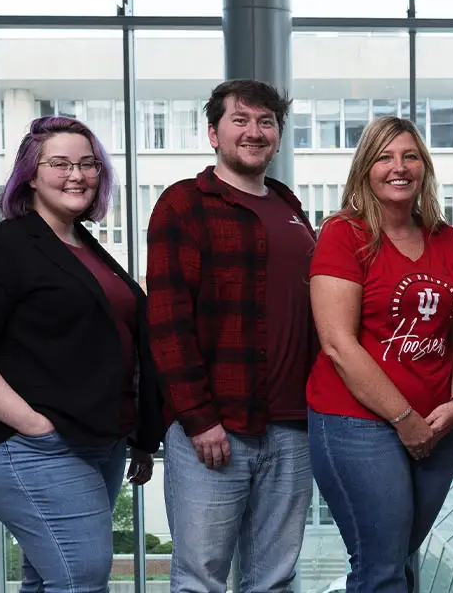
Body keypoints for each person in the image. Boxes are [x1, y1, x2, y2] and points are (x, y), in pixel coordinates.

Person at [0, 116, 161, 592]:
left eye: (88, 164)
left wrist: (141, 433)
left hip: (99, 440)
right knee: (81, 576)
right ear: (31, 176)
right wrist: (35, 426)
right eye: (59, 164)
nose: (76, 175)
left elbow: (118, 343)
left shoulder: (85, 247)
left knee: (50, 578)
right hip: (32, 443)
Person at [146, 79, 317, 593]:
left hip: (294, 427)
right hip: (216, 427)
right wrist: (199, 419)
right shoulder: (184, 204)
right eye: (239, 120)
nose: (254, 132)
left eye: (266, 122)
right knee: (200, 579)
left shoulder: (289, 205)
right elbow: (168, 320)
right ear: (212, 133)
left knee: (275, 579)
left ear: (279, 134)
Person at [307, 115, 453, 593]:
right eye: (384, 157)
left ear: (424, 166)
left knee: (394, 561)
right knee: (381, 570)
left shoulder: (444, 237)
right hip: (358, 424)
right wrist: (405, 420)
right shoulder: (343, 233)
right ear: (366, 168)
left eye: (410, 156)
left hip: (439, 425)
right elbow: (338, 344)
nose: (398, 167)